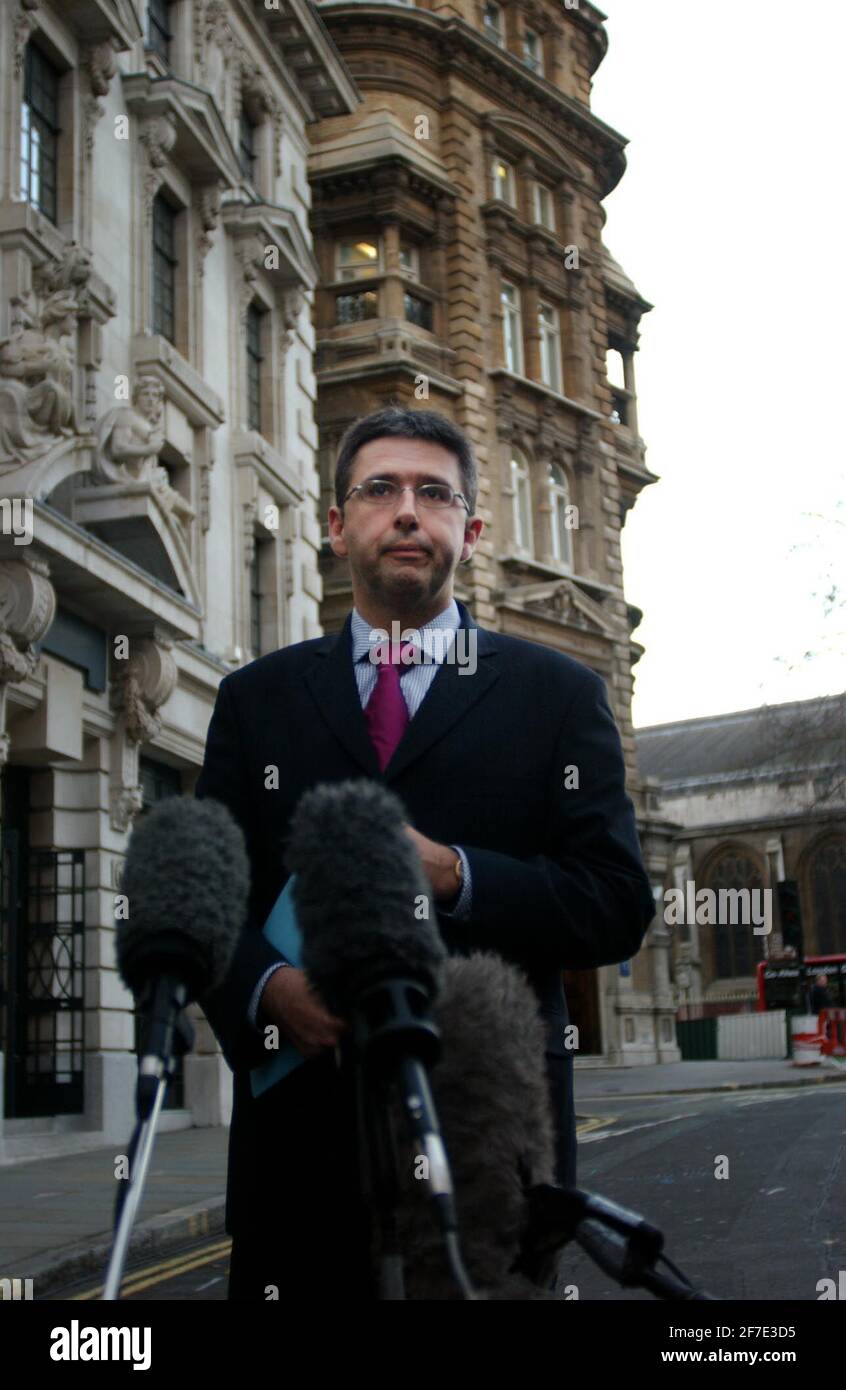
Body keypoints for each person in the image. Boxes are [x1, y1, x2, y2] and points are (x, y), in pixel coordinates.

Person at [195, 406, 656, 1300]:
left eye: (434, 493)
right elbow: (210, 903)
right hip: (299, 1145)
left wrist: (454, 872)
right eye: (380, 490)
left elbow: (615, 903)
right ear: (336, 527)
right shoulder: (256, 701)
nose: (407, 511)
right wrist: (272, 993)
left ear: (471, 531)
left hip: (487, 1145)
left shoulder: (559, 695)